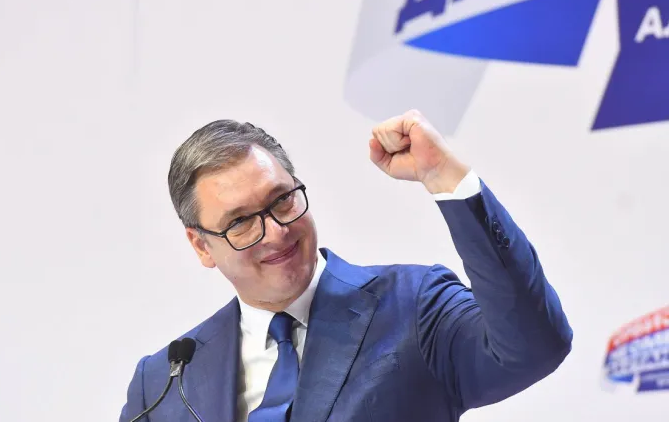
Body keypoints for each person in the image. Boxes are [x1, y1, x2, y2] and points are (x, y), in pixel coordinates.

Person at [118, 109, 573, 422]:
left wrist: (444, 177)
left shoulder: (414, 305)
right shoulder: (163, 382)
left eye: (282, 200)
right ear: (201, 246)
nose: (275, 232)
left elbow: (533, 347)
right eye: (240, 222)